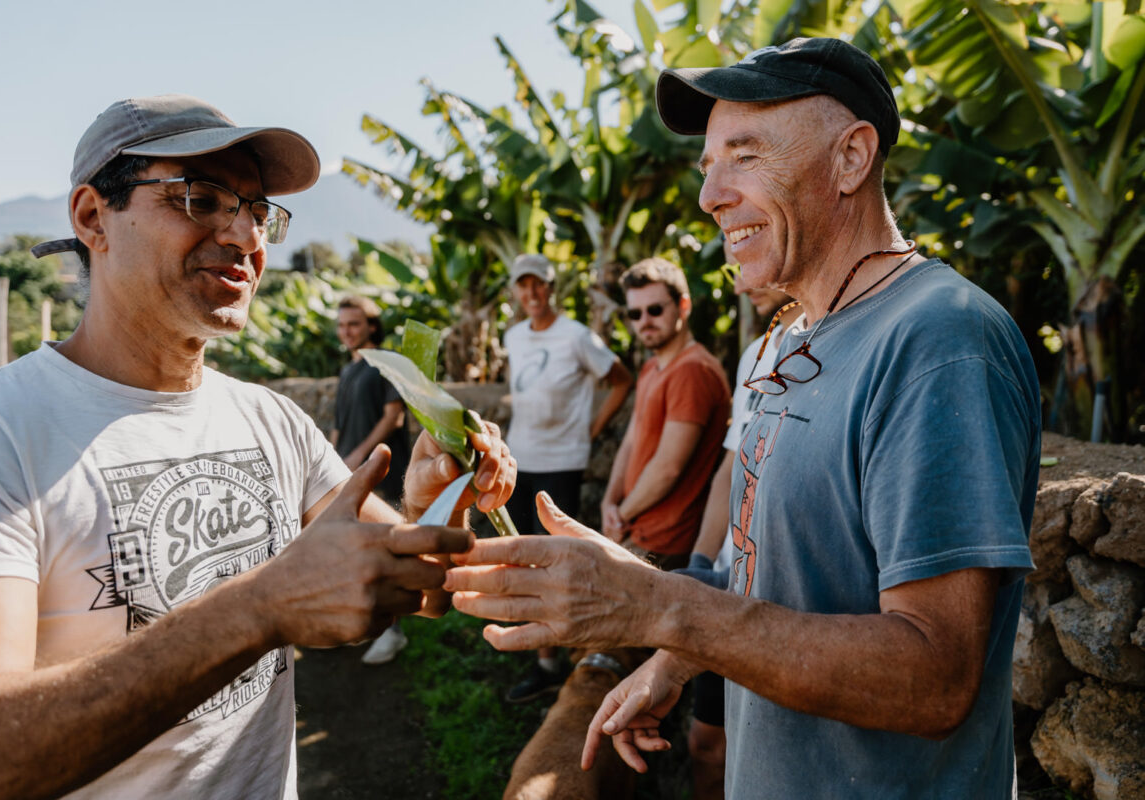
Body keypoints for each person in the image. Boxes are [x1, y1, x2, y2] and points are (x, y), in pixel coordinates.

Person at [445, 37, 1040, 799]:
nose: (709, 196)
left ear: (851, 158)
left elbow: (934, 679)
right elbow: (761, 569)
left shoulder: (939, 339)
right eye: (707, 166)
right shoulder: (780, 342)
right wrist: (672, 656)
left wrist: (660, 607)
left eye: (746, 157)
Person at [0, 94, 515, 800]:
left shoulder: (270, 421)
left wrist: (438, 501)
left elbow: (421, 582)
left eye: (256, 208)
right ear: (94, 217)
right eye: (201, 197)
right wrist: (256, 608)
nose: (246, 235)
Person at [683, 254, 792, 800]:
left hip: (778, 601)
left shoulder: (836, 345)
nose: (741, 281)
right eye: (732, 270)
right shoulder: (757, 351)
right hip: (727, 579)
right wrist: (702, 563)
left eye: (750, 261)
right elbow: (733, 465)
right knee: (706, 740)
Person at [501, 253, 633, 703]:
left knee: (549, 560)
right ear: (515, 291)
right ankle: (538, 643)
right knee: (519, 554)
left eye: (539, 285)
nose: (531, 294)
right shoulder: (513, 335)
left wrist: (591, 431)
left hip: (561, 461)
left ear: (551, 287)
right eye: (523, 286)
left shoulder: (578, 337)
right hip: (519, 458)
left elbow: (621, 379)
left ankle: (546, 665)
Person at [599, 257, 731, 571]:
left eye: (655, 310)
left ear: (683, 306)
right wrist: (608, 502)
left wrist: (621, 516)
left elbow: (668, 468)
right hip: (634, 526)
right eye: (635, 313)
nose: (645, 320)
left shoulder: (693, 371)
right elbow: (630, 443)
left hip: (665, 542)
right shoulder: (651, 367)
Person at [331, 294, 413, 665]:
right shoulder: (348, 370)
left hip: (382, 469)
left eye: (354, 324)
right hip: (349, 470)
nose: (346, 331)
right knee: (358, 549)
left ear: (372, 327)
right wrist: (331, 460)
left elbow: (393, 417)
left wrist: (358, 455)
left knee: (386, 550)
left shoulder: (388, 364)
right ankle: (370, 621)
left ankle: (394, 632)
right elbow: (338, 425)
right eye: (342, 325)